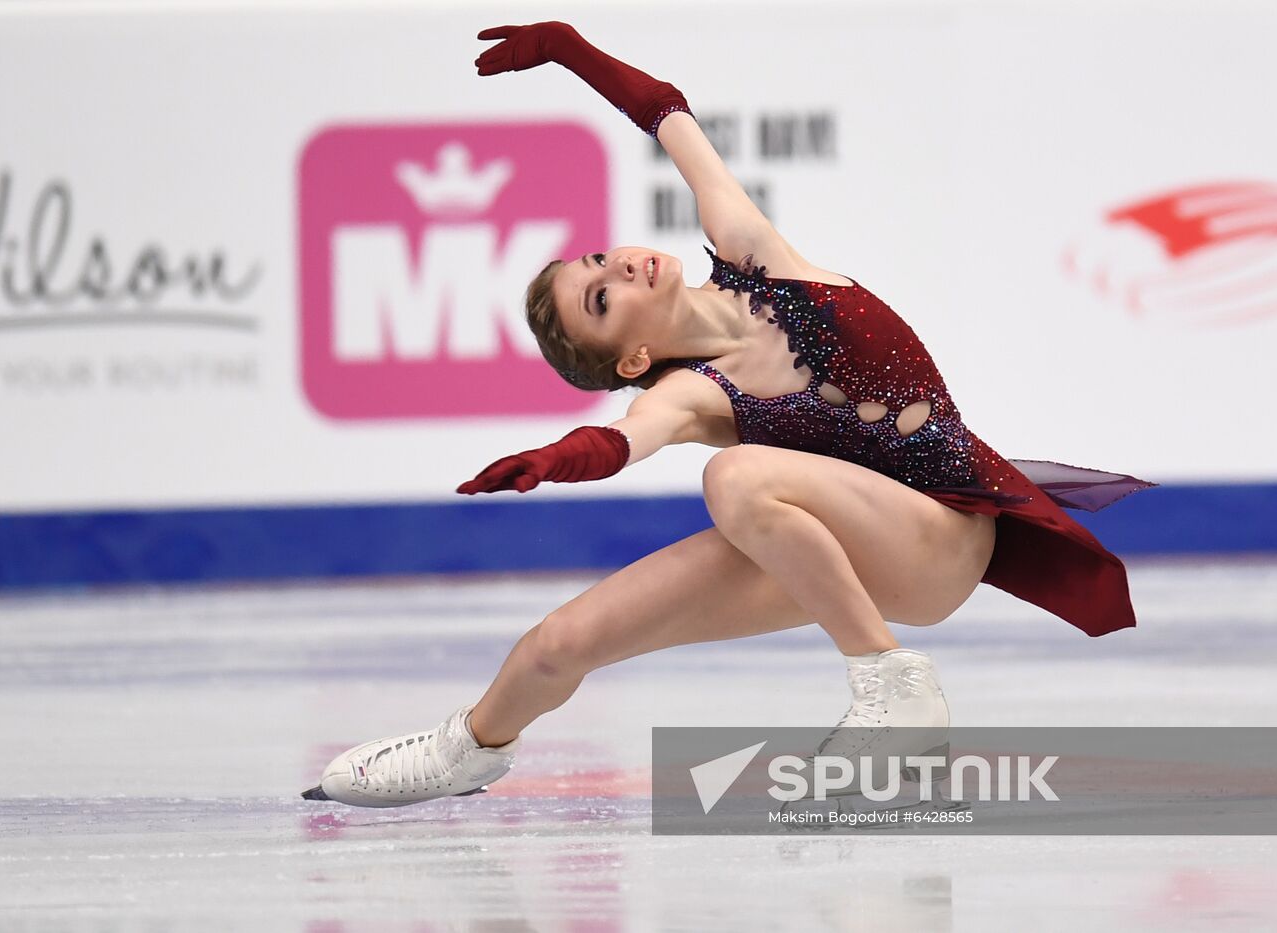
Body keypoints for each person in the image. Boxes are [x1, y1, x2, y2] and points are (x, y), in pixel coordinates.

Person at [302, 21, 1156, 808]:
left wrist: (568, 47)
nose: (621, 268)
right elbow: (621, 441)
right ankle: (466, 751)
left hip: (943, 540)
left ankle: (892, 686)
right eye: (601, 297)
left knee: (737, 475)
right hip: (840, 542)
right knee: (560, 641)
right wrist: (555, 457)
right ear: (631, 362)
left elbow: (666, 112)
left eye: (601, 259)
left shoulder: (755, 256)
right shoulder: (693, 392)